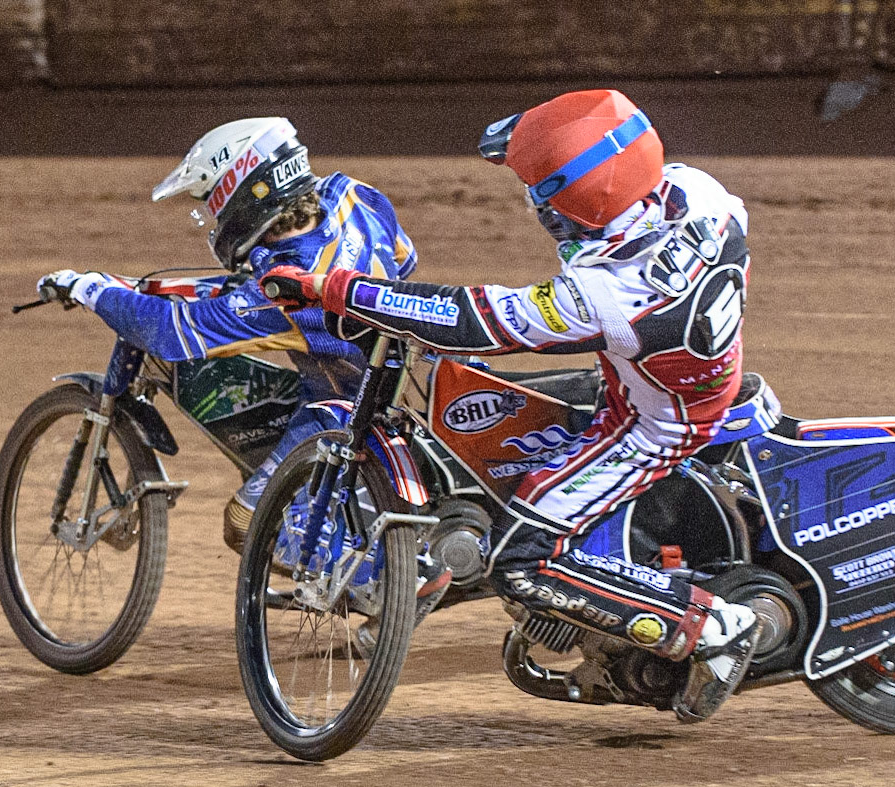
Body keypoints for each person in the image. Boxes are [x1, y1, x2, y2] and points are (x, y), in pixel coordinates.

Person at [256, 89, 768, 722]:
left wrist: (330, 287)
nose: (535, 204)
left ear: (572, 201)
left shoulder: (607, 293)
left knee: (523, 561)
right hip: (666, 375)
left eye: (541, 193)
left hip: (654, 423)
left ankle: (711, 625)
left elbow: (472, 319)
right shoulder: (697, 193)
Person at [38, 117, 417, 551]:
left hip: (344, 408)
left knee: (243, 523)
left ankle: (370, 585)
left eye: (215, 204)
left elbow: (170, 332)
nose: (215, 218)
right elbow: (405, 260)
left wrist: (90, 289)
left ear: (248, 192)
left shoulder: (283, 291)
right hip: (410, 371)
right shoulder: (355, 195)